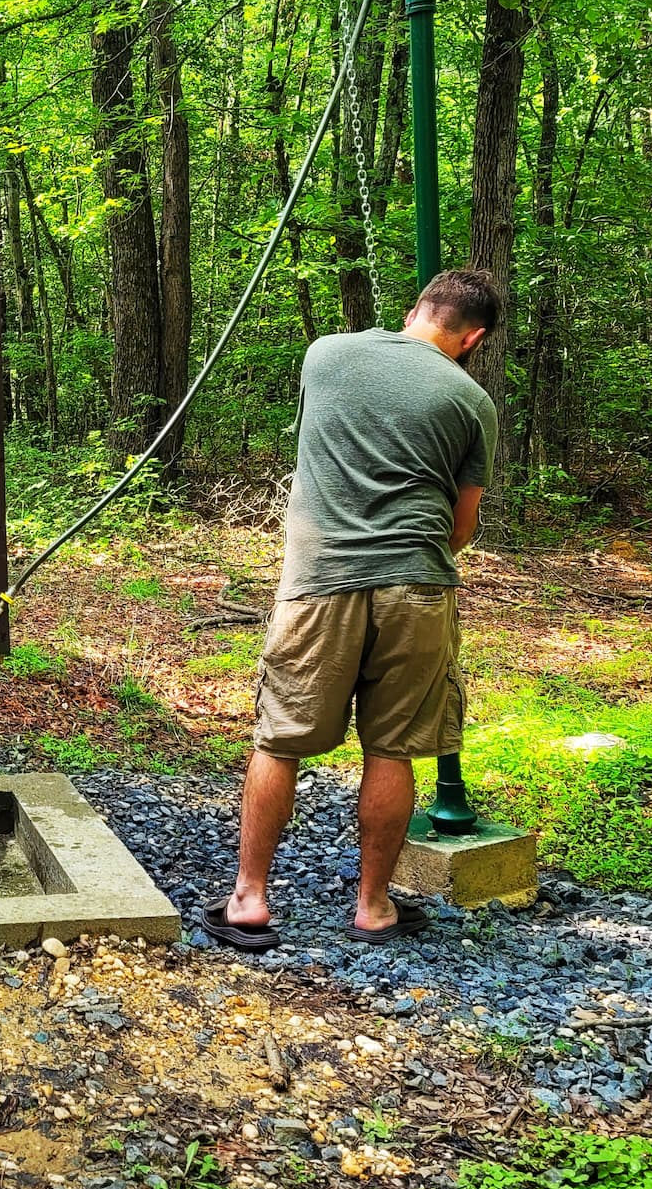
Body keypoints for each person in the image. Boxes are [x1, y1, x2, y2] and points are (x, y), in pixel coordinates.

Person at [203, 268, 502, 950]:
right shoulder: (471, 400)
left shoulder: (326, 354)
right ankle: (372, 906)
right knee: (392, 748)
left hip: (319, 581)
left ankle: (249, 899)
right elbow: (461, 528)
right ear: (474, 336)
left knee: (279, 739)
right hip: (418, 587)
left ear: (416, 307)